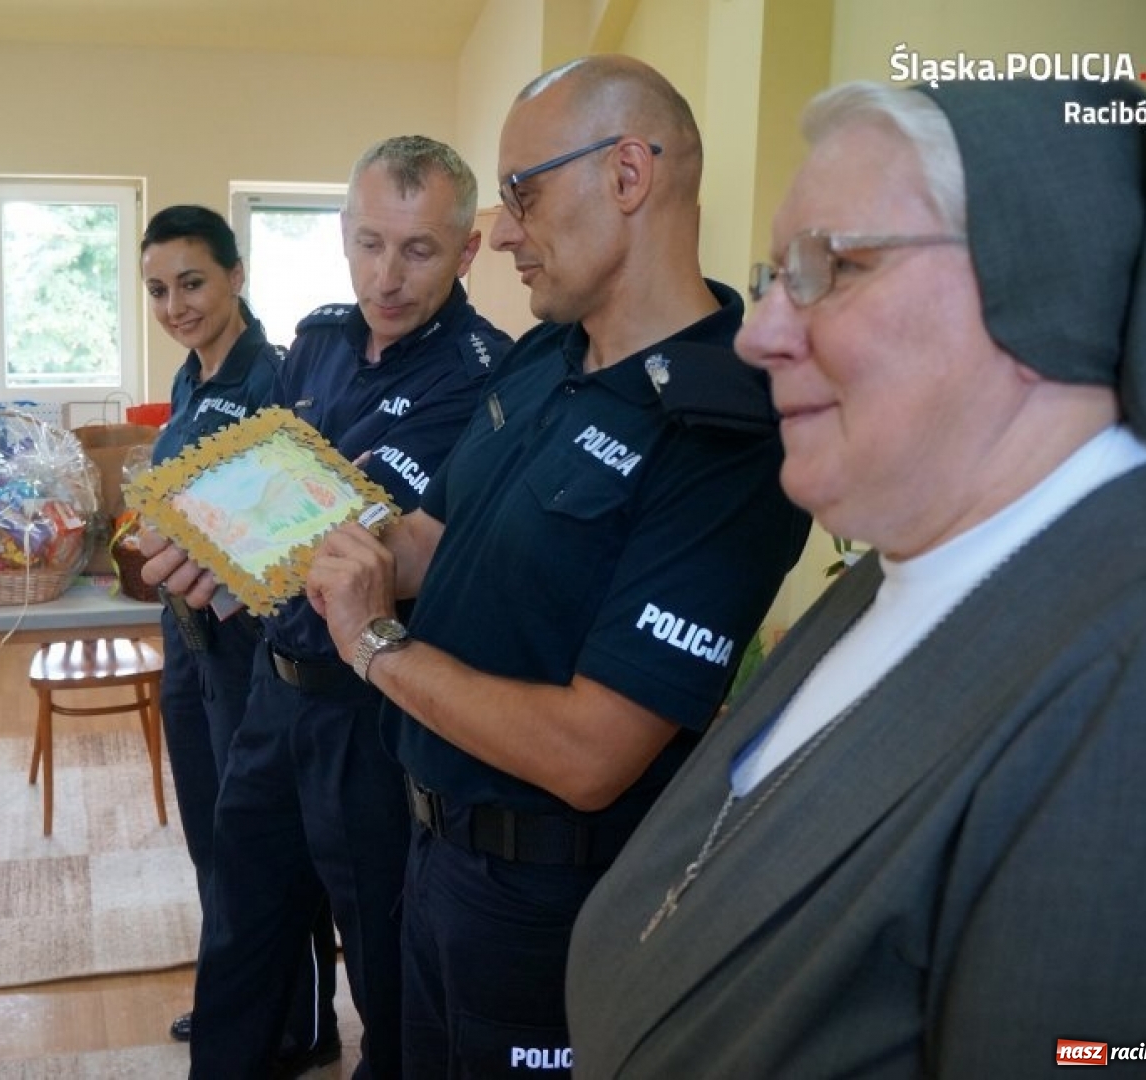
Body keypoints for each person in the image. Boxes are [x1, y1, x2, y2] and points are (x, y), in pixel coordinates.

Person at [565, 77, 1146, 1077]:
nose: (756, 332)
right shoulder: (915, 551)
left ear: (1037, 273)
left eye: (831, 266)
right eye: (774, 272)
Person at [305, 55, 810, 1076]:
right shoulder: (546, 352)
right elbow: (435, 544)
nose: (496, 233)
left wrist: (369, 645)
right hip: (431, 849)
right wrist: (297, 521)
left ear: (628, 176)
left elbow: (591, 754)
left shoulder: (727, 433)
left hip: (554, 902)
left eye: (522, 193)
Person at [142, 136, 512, 1078]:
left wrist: (224, 535)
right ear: (344, 237)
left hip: (373, 705)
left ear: (467, 251)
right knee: (240, 921)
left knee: (381, 951)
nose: (386, 277)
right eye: (369, 244)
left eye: (419, 250)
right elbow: (256, 474)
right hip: (275, 684)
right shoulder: (317, 340)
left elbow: (362, 543)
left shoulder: (483, 374)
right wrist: (192, 520)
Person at [137, 204, 338, 1069]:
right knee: (211, 831)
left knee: (262, 842)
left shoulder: (273, 379)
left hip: (250, 645)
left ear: (236, 276)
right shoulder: (191, 379)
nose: (176, 304)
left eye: (192, 283)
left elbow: (290, 530)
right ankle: (242, 997)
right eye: (158, 289)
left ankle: (302, 1024)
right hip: (187, 638)